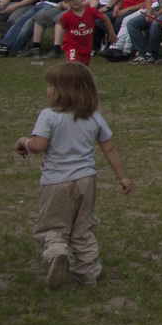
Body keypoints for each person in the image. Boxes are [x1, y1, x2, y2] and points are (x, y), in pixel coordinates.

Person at [14, 62, 131, 288]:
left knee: (52, 226)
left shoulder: (48, 116)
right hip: (87, 180)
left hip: (56, 182)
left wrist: (23, 142)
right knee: (83, 228)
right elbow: (109, 148)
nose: (47, 90)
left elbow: (38, 145)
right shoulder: (94, 117)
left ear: (61, 90)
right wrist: (122, 178)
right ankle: (88, 274)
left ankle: (57, 253)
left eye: (50, 85)